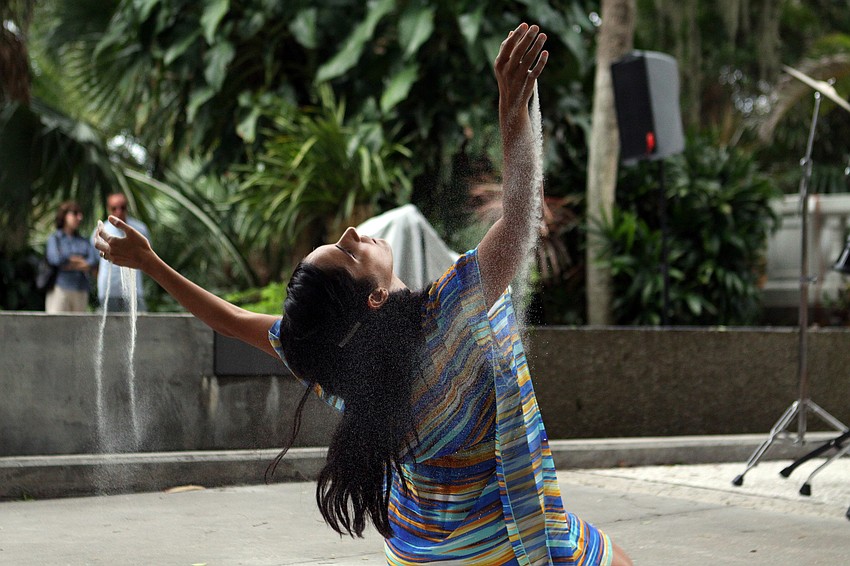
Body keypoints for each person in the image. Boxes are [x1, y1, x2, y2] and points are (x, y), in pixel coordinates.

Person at [95, 23, 632, 566]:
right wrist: (511, 113)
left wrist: (150, 263)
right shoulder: (444, 315)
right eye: (347, 255)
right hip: (509, 541)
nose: (351, 235)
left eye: (336, 243)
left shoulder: (340, 371)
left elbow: (232, 321)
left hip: (424, 550)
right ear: (373, 298)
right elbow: (519, 222)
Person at [95, 193, 151, 311]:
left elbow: (148, 256)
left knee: (139, 324)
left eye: (123, 207)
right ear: (108, 209)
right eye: (114, 208)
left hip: (134, 289)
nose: (119, 212)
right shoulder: (100, 230)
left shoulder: (140, 229)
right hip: (109, 290)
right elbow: (95, 261)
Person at [44, 201, 99, 313]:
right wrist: (79, 261)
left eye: (80, 214)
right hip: (60, 289)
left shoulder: (83, 240)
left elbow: (93, 261)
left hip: (81, 289)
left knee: (78, 327)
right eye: (74, 213)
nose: (79, 217)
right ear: (64, 216)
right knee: (57, 326)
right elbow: (55, 259)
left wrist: (69, 263)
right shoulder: (55, 238)